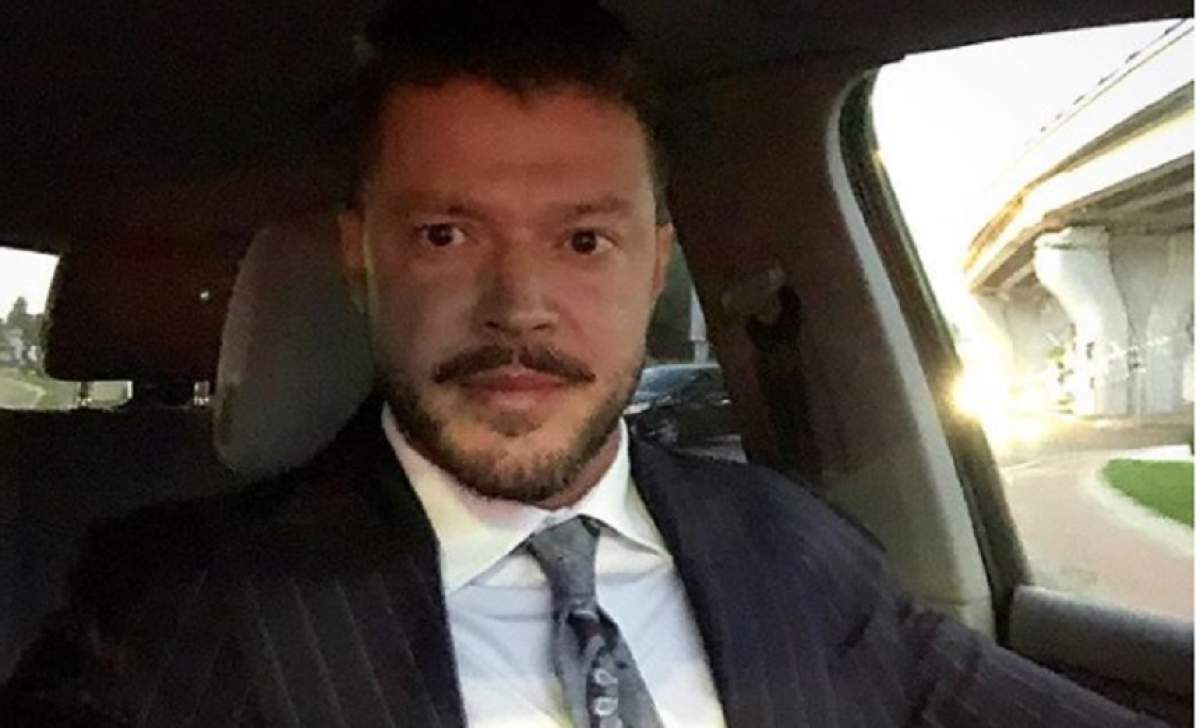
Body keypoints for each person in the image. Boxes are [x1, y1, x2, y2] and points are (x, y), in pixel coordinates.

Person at [0, 2, 1167, 726]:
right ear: (362, 260)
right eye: (446, 234)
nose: (518, 306)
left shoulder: (795, 544)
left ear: (656, 265)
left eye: (583, 240)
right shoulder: (172, 610)